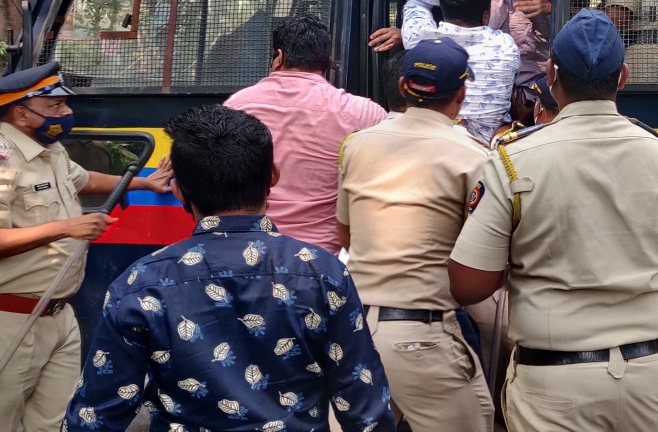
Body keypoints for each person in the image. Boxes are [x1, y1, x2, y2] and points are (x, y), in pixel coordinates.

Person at [447, 10, 658, 432]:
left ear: (551, 74)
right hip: (648, 378)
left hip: (553, 385)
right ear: (623, 77)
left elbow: (468, 285)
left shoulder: (512, 161)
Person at [63, 104, 391, 432]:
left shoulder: (141, 282)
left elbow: (97, 416)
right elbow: (364, 406)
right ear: (273, 176)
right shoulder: (323, 272)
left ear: (178, 189)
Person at [0, 62, 172, 432]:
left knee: (53, 421)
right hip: (11, 318)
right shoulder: (3, 156)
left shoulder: (51, 150)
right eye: (55, 107)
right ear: (21, 113)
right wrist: (66, 227)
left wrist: (144, 184)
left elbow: (84, 179)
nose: (66, 113)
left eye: (65, 105)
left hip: (60, 315)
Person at [337, 38, 493, 432]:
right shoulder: (473, 156)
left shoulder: (357, 145)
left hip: (354, 330)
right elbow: (483, 254)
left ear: (403, 86)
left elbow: (347, 236)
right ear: (461, 94)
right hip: (421, 335)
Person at [225, 16, 387, 253]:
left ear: (278, 57)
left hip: (250, 251)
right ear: (325, 63)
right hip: (322, 260)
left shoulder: (236, 106)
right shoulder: (365, 113)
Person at [385, 0, 520, 142]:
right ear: (485, 15)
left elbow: (417, 2)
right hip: (488, 155)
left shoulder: (422, 41)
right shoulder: (506, 46)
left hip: (435, 148)